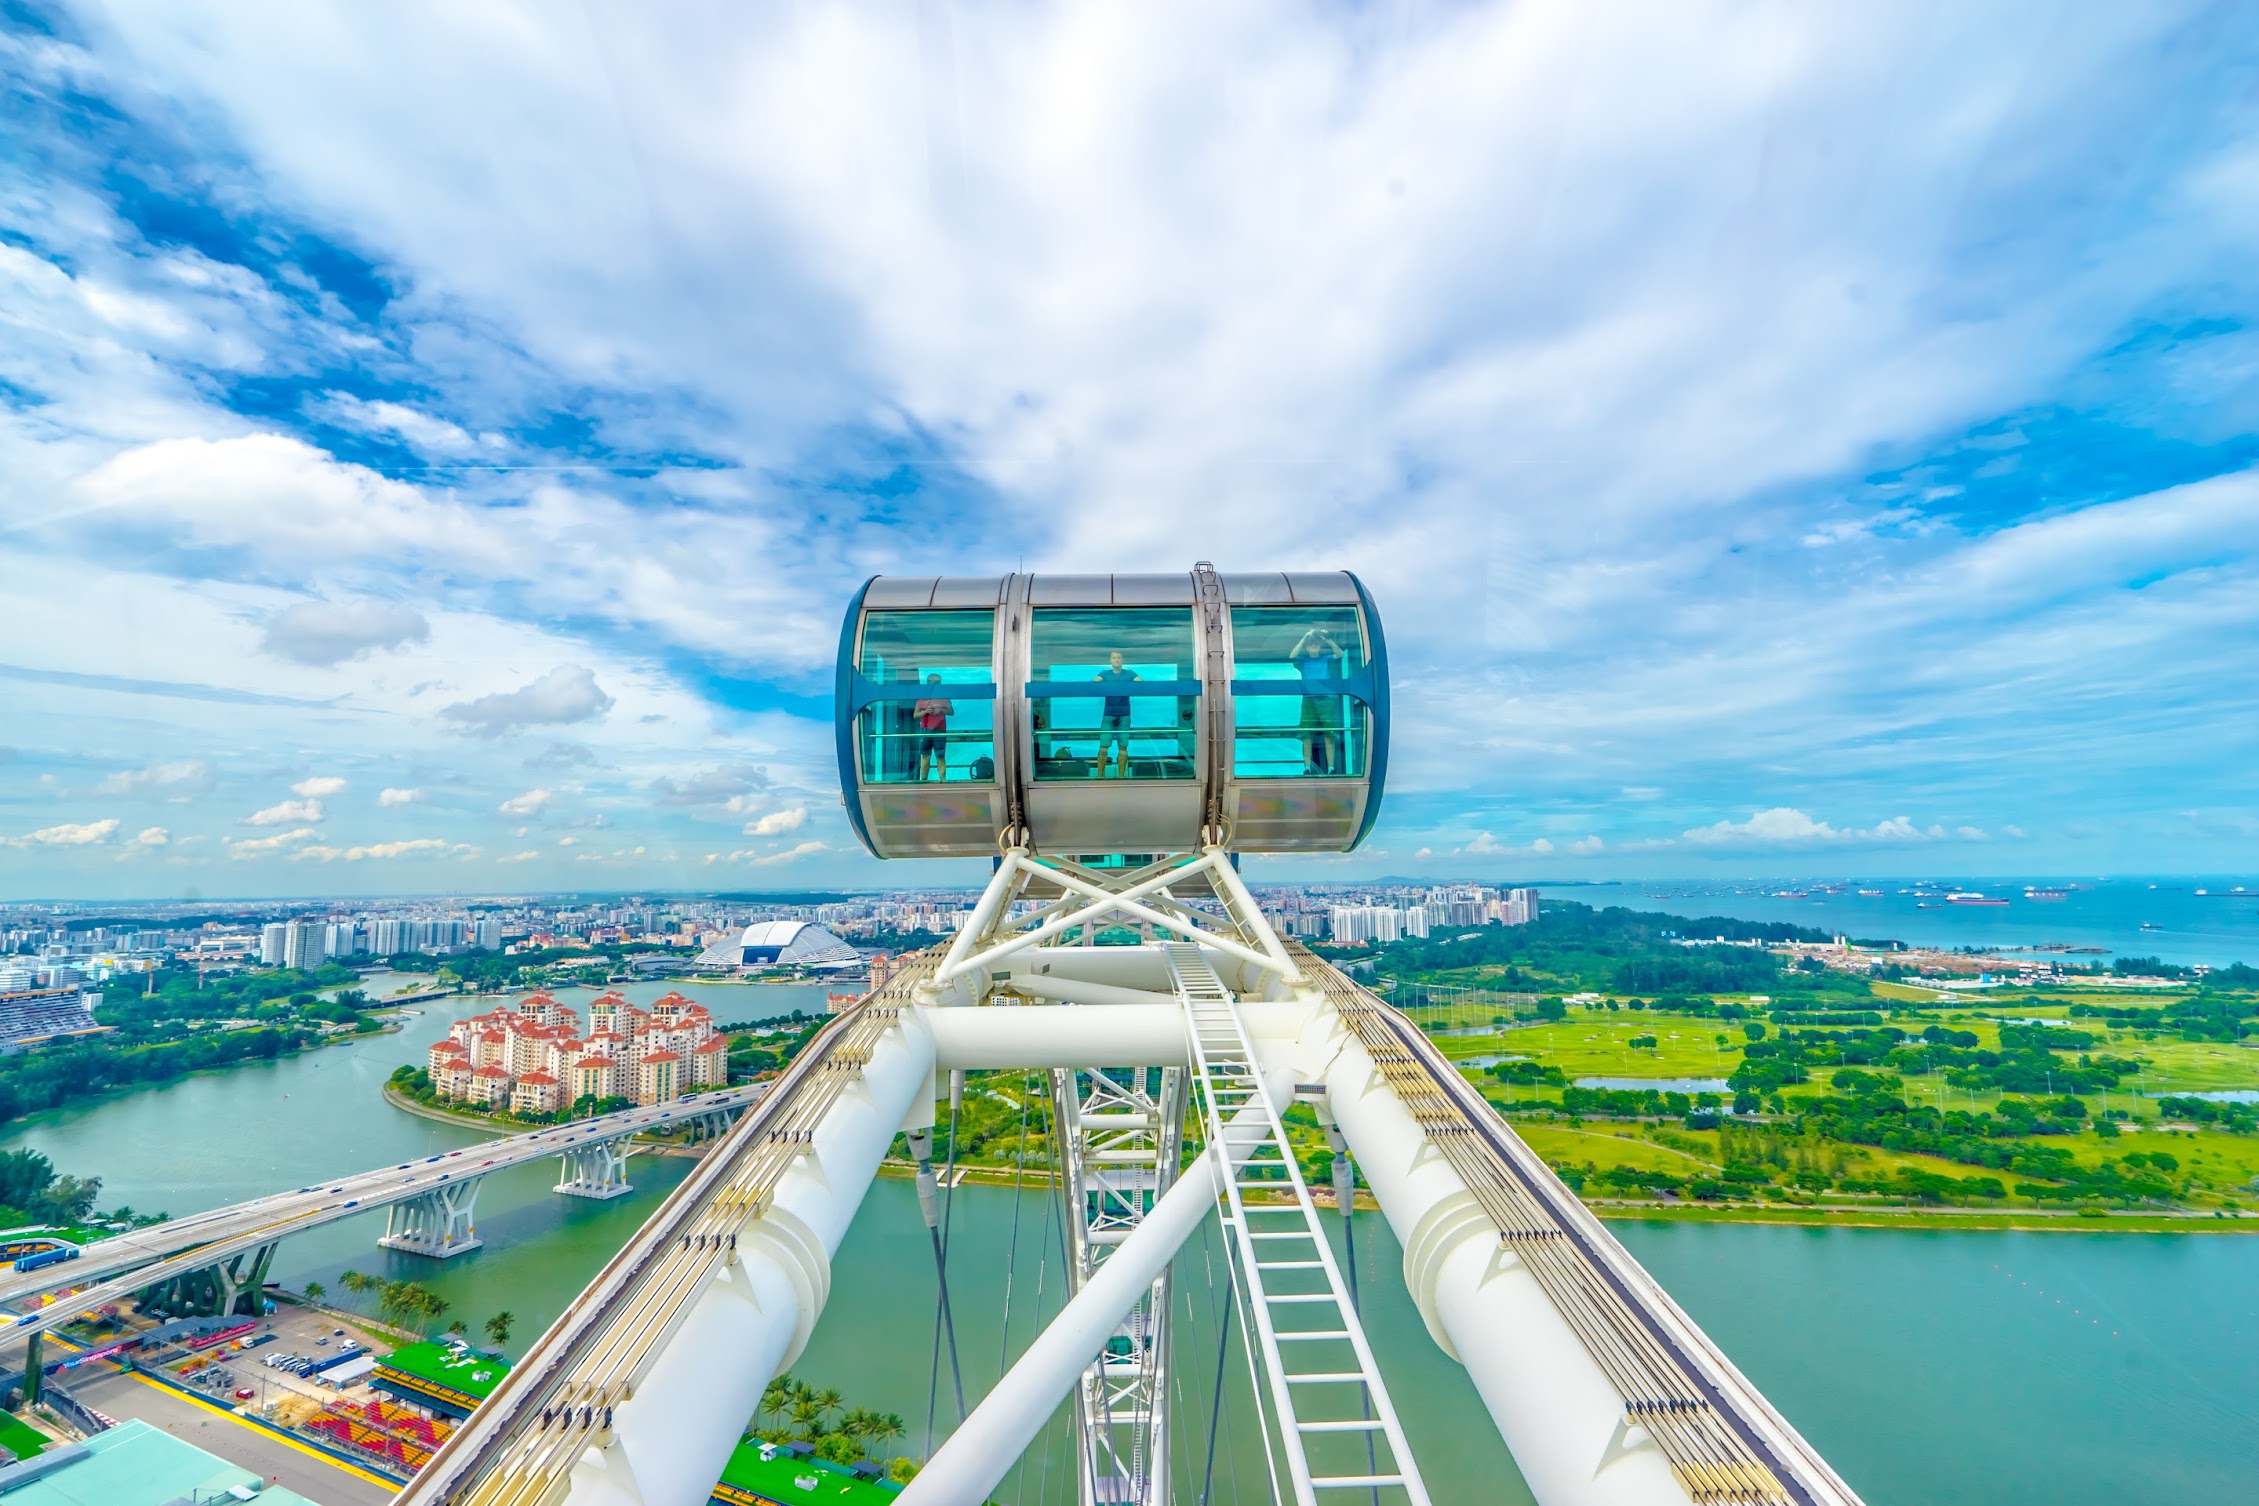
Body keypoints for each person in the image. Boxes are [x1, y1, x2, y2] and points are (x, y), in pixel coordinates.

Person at [1290, 625, 1345, 775]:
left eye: (1315, 644)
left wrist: (1326, 639)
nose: (1313, 646)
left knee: (1329, 733)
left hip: (1325, 699)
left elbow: (1340, 654)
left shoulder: (1325, 659)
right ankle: (1307, 768)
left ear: (1319, 646)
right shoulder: (1304, 661)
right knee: (1306, 734)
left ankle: (1331, 768)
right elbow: (1292, 656)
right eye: (1311, 644)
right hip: (1309, 700)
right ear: (1307, 647)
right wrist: (1304, 637)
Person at [1093, 650, 1140, 777]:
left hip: (1124, 714)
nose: (1117, 660)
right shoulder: (1105, 673)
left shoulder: (1129, 673)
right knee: (1103, 747)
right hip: (1109, 714)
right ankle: (1100, 777)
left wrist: (1133, 683)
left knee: (1123, 747)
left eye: (1119, 658)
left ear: (1122, 660)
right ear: (1110, 660)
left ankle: (1121, 777)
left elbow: (1140, 682)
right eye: (1114, 658)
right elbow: (1094, 682)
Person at [912, 674, 954, 781]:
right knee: (925, 756)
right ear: (928, 683)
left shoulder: (944, 698)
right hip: (925, 730)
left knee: (940, 756)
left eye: (938, 682)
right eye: (933, 682)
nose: (936, 684)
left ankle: (943, 780)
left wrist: (941, 710)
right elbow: (915, 715)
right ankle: (924, 780)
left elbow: (951, 712)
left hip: (940, 730)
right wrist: (925, 711)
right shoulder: (922, 699)